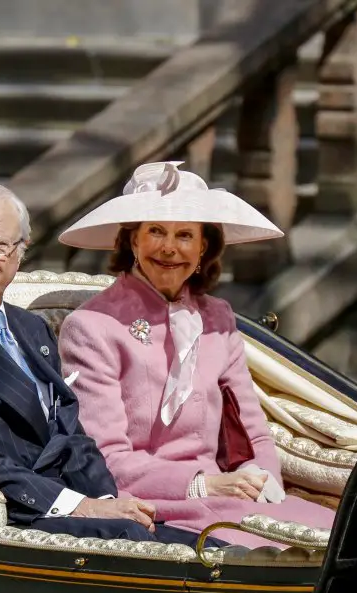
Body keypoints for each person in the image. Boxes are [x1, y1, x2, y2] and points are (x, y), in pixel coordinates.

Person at [0, 181, 220, 545]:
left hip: (66, 502)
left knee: (215, 546)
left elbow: (71, 434)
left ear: (21, 252)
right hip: (1, 520)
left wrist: (105, 498)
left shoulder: (29, 327)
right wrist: (80, 505)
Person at [55, 161, 336, 548]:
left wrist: (262, 482)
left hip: (231, 497)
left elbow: (253, 432)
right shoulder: (91, 326)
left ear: (203, 247)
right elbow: (106, 458)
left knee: (345, 539)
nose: (170, 247)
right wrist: (203, 485)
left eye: (185, 235)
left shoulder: (217, 318)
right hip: (150, 508)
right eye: (156, 231)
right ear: (132, 240)